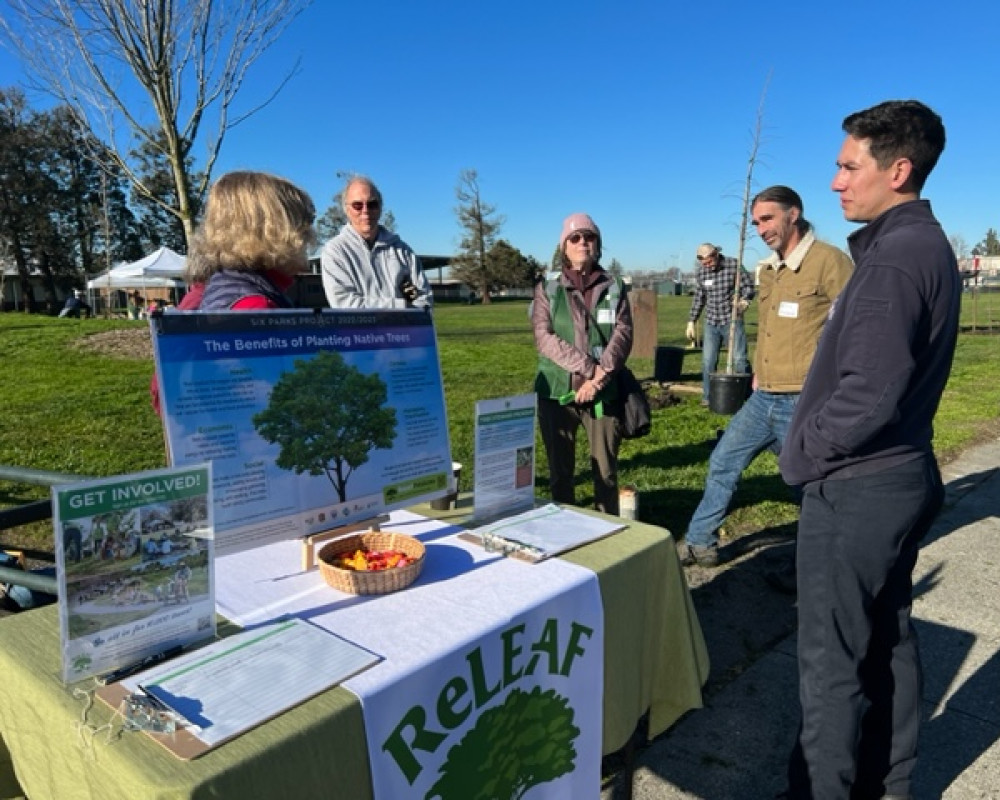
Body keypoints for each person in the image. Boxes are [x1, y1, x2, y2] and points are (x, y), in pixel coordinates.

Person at [778, 100, 960, 800]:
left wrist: (801, 458)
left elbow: (868, 394)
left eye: (848, 166)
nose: (834, 182)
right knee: (889, 640)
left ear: (899, 169)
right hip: (903, 472)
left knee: (830, 666)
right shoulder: (925, 245)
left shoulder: (893, 259)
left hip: (859, 486)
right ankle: (891, 783)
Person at [681, 186, 853, 567]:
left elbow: (854, 329)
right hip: (763, 398)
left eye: (768, 218)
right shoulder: (770, 270)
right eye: (756, 221)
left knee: (808, 483)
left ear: (794, 214)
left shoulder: (830, 262)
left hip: (803, 399)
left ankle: (818, 562)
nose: (761, 229)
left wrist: (833, 388)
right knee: (724, 461)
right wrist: (758, 370)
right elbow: (772, 329)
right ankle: (699, 542)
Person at [532, 213, 633, 515]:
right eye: (574, 238)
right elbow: (544, 336)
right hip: (556, 393)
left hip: (603, 393)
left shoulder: (614, 286)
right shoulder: (547, 287)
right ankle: (563, 531)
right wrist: (589, 370)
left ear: (597, 243)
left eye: (589, 236)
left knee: (606, 471)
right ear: (564, 246)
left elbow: (623, 334)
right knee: (560, 472)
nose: (582, 242)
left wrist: (599, 380)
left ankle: (606, 528)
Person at [186, 170, 316, 312]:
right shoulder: (255, 307)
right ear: (275, 231)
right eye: (302, 224)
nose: (309, 235)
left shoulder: (229, 285)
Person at [321, 176, 431, 310]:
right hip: (359, 331)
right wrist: (401, 306)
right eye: (357, 205)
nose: (365, 211)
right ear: (347, 209)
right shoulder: (335, 251)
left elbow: (424, 300)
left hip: (403, 331)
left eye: (372, 204)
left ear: (380, 207)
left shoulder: (403, 251)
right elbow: (344, 304)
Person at [686, 244, 754, 405]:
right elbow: (699, 298)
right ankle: (708, 396)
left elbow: (749, 287)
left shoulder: (734, 265)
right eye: (704, 264)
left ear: (716, 255)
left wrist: (744, 300)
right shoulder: (702, 273)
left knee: (739, 359)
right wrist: (691, 320)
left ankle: (747, 395)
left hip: (732, 320)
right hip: (711, 322)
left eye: (709, 262)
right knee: (708, 360)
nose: (707, 266)